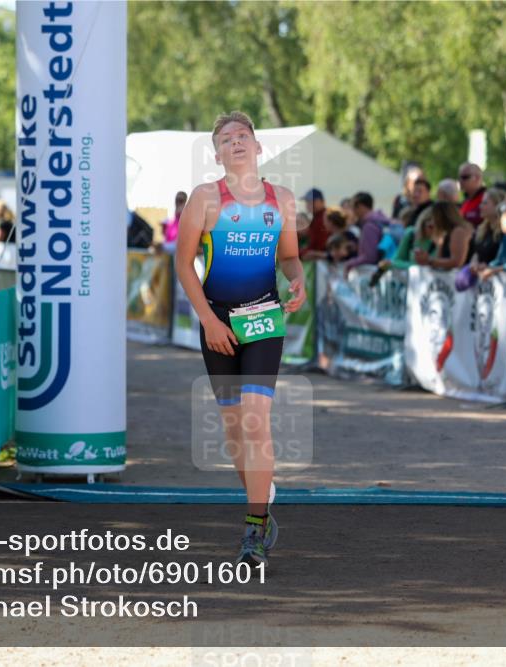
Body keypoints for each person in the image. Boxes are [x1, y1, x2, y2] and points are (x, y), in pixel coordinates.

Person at [175, 111, 305, 567]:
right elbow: (183, 263)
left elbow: (288, 256)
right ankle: (260, 494)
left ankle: (253, 528)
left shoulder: (283, 200)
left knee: (255, 420)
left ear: (258, 146)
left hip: (265, 320)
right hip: (220, 324)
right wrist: (209, 321)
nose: (236, 142)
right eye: (227, 138)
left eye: (243, 136)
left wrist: (298, 279)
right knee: (234, 430)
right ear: (217, 154)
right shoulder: (205, 199)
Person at [415, 201, 474, 270]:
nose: (432, 221)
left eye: (434, 217)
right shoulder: (445, 233)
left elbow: (457, 262)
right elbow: (440, 258)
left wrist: (429, 261)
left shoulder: (459, 231)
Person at [344, 192, 386, 274]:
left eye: (354, 208)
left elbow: (369, 256)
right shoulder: (378, 221)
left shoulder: (369, 226)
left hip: (371, 272)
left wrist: (350, 264)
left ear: (361, 206)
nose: (353, 211)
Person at [468, 188, 503, 267]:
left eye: (485, 203)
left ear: (498, 205)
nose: (480, 206)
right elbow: (476, 253)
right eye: (481, 203)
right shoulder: (482, 229)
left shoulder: (505, 231)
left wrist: (488, 266)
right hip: (479, 276)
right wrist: (474, 264)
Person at [300, 188, 330, 260]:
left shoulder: (325, 217)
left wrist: (300, 253)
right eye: (307, 202)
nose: (308, 205)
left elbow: (319, 247)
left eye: (312, 202)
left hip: (325, 260)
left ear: (322, 202)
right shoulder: (316, 218)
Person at [458, 162, 486, 227]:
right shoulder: (465, 201)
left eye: (465, 177)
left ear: (477, 178)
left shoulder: (487, 199)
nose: (460, 181)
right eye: (459, 177)